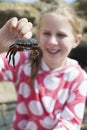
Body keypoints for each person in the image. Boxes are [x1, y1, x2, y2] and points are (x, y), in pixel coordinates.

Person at [0, 4, 87, 130]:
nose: (52, 41)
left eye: (61, 35)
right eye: (46, 33)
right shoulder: (23, 60)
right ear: (38, 35)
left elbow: (70, 124)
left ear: (76, 40)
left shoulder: (79, 77)